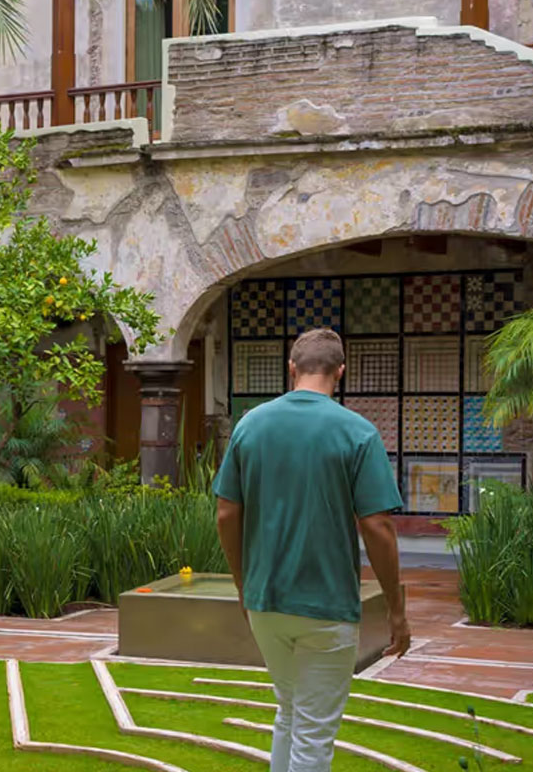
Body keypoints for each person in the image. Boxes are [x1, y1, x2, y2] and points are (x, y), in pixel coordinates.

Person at [213, 327, 410, 772]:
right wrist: (396, 610)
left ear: (292, 369)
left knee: (290, 711)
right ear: (341, 371)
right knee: (314, 733)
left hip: (266, 602)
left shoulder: (250, 425)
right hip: (327, 606)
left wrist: (244, 586)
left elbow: (226, 513)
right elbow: (377, 526)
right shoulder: (357, 432)